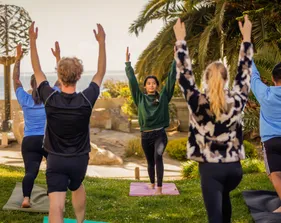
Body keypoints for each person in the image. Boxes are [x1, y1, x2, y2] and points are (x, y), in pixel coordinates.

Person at [173, 15, 253, 223]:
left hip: (211, 169)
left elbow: (184, 76)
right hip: (235, 169)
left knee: (214, 217)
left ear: (206, 79)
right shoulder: (237, 100)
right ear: (226, 79)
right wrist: (246, 38)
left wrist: (180, 40)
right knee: (224, 201)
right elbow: (244, 73)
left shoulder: (197, 101)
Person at [28, 22, 106, 223]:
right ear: (79, 76)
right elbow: (100, 73)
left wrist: (33, 41)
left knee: (56, 206)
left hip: (56, 159)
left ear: (59, 76)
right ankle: (80, 222)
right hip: (79, 159)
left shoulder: (50, 98)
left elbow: (37, 70)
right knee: (77, 186)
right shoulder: (86, 99)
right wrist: (102, 43)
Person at [12, 44, 60, 208]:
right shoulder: (50, 97)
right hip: (47, 140)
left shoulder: (24, 99)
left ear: (32, 85)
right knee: (52, 170)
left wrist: (18, 59)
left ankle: (26, 199)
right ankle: (53, 197)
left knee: (30, 172)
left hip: (30, 141)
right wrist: (58, 58)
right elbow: (62, 80)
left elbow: (16, 80)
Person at [125, 46, 176, 195]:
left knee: (158, 157)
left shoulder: (164, 97)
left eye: (154, 83)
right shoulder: (140, 98)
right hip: (145, 135)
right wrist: (128, 64)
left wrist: (175, 59)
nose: (151, 85)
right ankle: (152, 184)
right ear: (145, 86)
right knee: (149, 162)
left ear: (157, 86)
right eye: (149, 83)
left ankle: (159, 189)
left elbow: (172, 78)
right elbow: (133, 82)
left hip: (159, 134)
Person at [251, 59, 281, 213]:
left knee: (274, 174)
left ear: (273, 78)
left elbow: (252, 75)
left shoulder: (265, 94)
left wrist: (247, 46)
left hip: (271, 141)